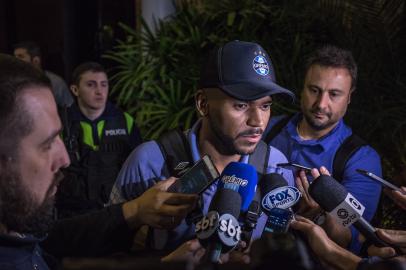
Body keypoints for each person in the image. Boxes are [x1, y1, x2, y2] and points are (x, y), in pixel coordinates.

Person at [0, 54, 198, 269]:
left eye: (104, 84)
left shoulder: (18, 232)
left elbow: (53, 241)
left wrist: (136, 210)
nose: (64, 159)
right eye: (47, 143)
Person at [109, 40, 295, 251]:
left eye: (265, 106)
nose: (258, 121)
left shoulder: (277, 167)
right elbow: (107, 249)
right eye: (241, 105)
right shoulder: (149, 163)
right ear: (203, 104)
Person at [264, 45, 382, 252]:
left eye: (334, 94)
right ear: (303, 88)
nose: (321, 104)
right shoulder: (266, 129)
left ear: (349, 97)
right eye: (314, 90)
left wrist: (321, 214)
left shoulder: (362, 160)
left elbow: (347, 239)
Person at [56, 62, 142, 218]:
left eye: (104, 85)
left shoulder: (124, 121)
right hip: (70, 213)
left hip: (115, 210)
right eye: (91, 85)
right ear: (75, 90)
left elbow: (138, 167)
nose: (99, 91)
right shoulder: (60, 123)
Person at [13, 41, 74, 107]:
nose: (15, 60)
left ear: (36, 60)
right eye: (14, 57)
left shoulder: (55, 82)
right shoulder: (13, 81)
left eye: (20, 56)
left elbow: (69, 108)